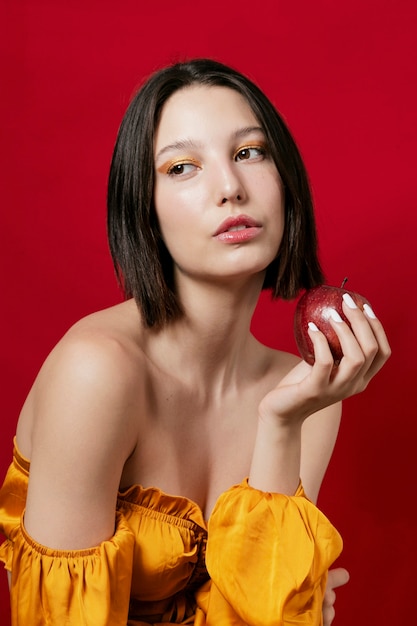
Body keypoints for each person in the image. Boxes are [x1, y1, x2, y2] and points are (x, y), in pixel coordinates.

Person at [0, 58, 390, 625]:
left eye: (249, 153)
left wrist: (281, 424)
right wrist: (298, 604)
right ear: (145, 209)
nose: (230, 188)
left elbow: (270, 617)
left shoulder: (303, 395)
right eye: (182, 167)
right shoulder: (97, 372)